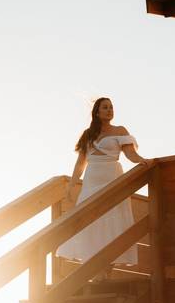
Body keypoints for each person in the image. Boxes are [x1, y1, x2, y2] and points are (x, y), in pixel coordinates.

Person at [56, 97, 150, 276]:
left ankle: (107, 271)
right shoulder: (88, 134)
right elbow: (80, 163)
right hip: (92, 181)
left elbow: (131, 154)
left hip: (112, 178)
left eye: (111, 107)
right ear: (97, 112)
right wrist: (71, 187)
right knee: (89, 221)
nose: (109, 110)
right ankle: (95, 271)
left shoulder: (120, 130)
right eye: (105, 107)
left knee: (112, 222)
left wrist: (142, 161)